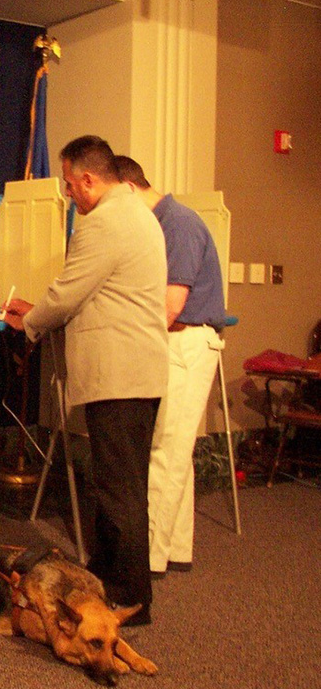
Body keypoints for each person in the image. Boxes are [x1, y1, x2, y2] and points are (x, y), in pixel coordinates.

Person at [2, 135, 168, 625]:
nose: (69, 194)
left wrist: (31, 319)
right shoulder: (139, 214)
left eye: (71, 185)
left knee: (119, 490)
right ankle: (107, 576)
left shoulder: (105, 224)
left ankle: (129, 597)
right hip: (140, 373)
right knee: (125, 484)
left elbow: (70, 292)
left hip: (119, 376)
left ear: (90, 179)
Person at [115, 155, 225, 577]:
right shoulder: (162, 222)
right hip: (180, 342)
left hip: (186, 341)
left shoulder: (177, 224)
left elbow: (169, 306)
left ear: (128, 189)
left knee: (164, 451)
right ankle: (175, 549)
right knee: (174, 451)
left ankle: (146, 560)